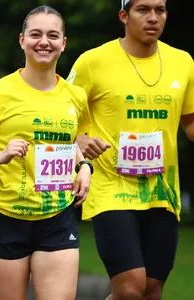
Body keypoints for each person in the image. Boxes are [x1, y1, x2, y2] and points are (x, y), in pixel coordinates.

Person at [0, 5, 93, 300]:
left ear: (63, 43)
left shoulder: (76, 96)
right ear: (22, 40)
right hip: (6, 216)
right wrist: (0, 155)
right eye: (36, 34)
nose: (44, 41)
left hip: (57, 215)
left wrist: (85, 168)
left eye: (53, 35)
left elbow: (74, 144)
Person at [67, 0, 194, 299]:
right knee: (129, 287)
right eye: (143, 10)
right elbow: (59, 112)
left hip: (162, 191)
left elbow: (190, 124)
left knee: (151, 290)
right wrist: (78, 140)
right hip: (111, 186)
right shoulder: (92, 61)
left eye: (160, 10)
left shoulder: (183, 62)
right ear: (124, 15)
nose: (153, 18)